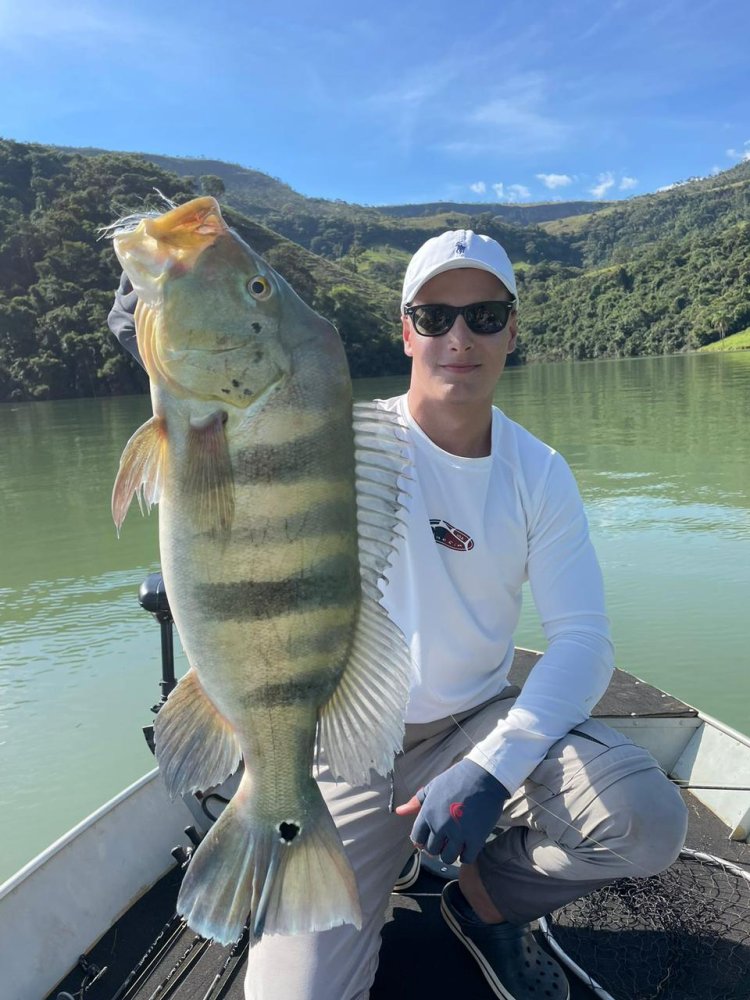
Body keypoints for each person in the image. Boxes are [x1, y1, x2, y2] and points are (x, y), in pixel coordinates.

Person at [108, 230, 688, 1000]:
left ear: (513, 331)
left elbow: (583, 641)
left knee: (647, 819)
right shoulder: (332, 436)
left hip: (478, 718)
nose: (459, 338)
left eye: (484, 316)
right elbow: (231, 459)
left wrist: (491, 767)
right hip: (342, 744)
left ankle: (485, 904)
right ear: (406, 328)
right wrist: (164, 355)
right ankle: (350, 863)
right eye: (435, 315)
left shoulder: (538, 472)